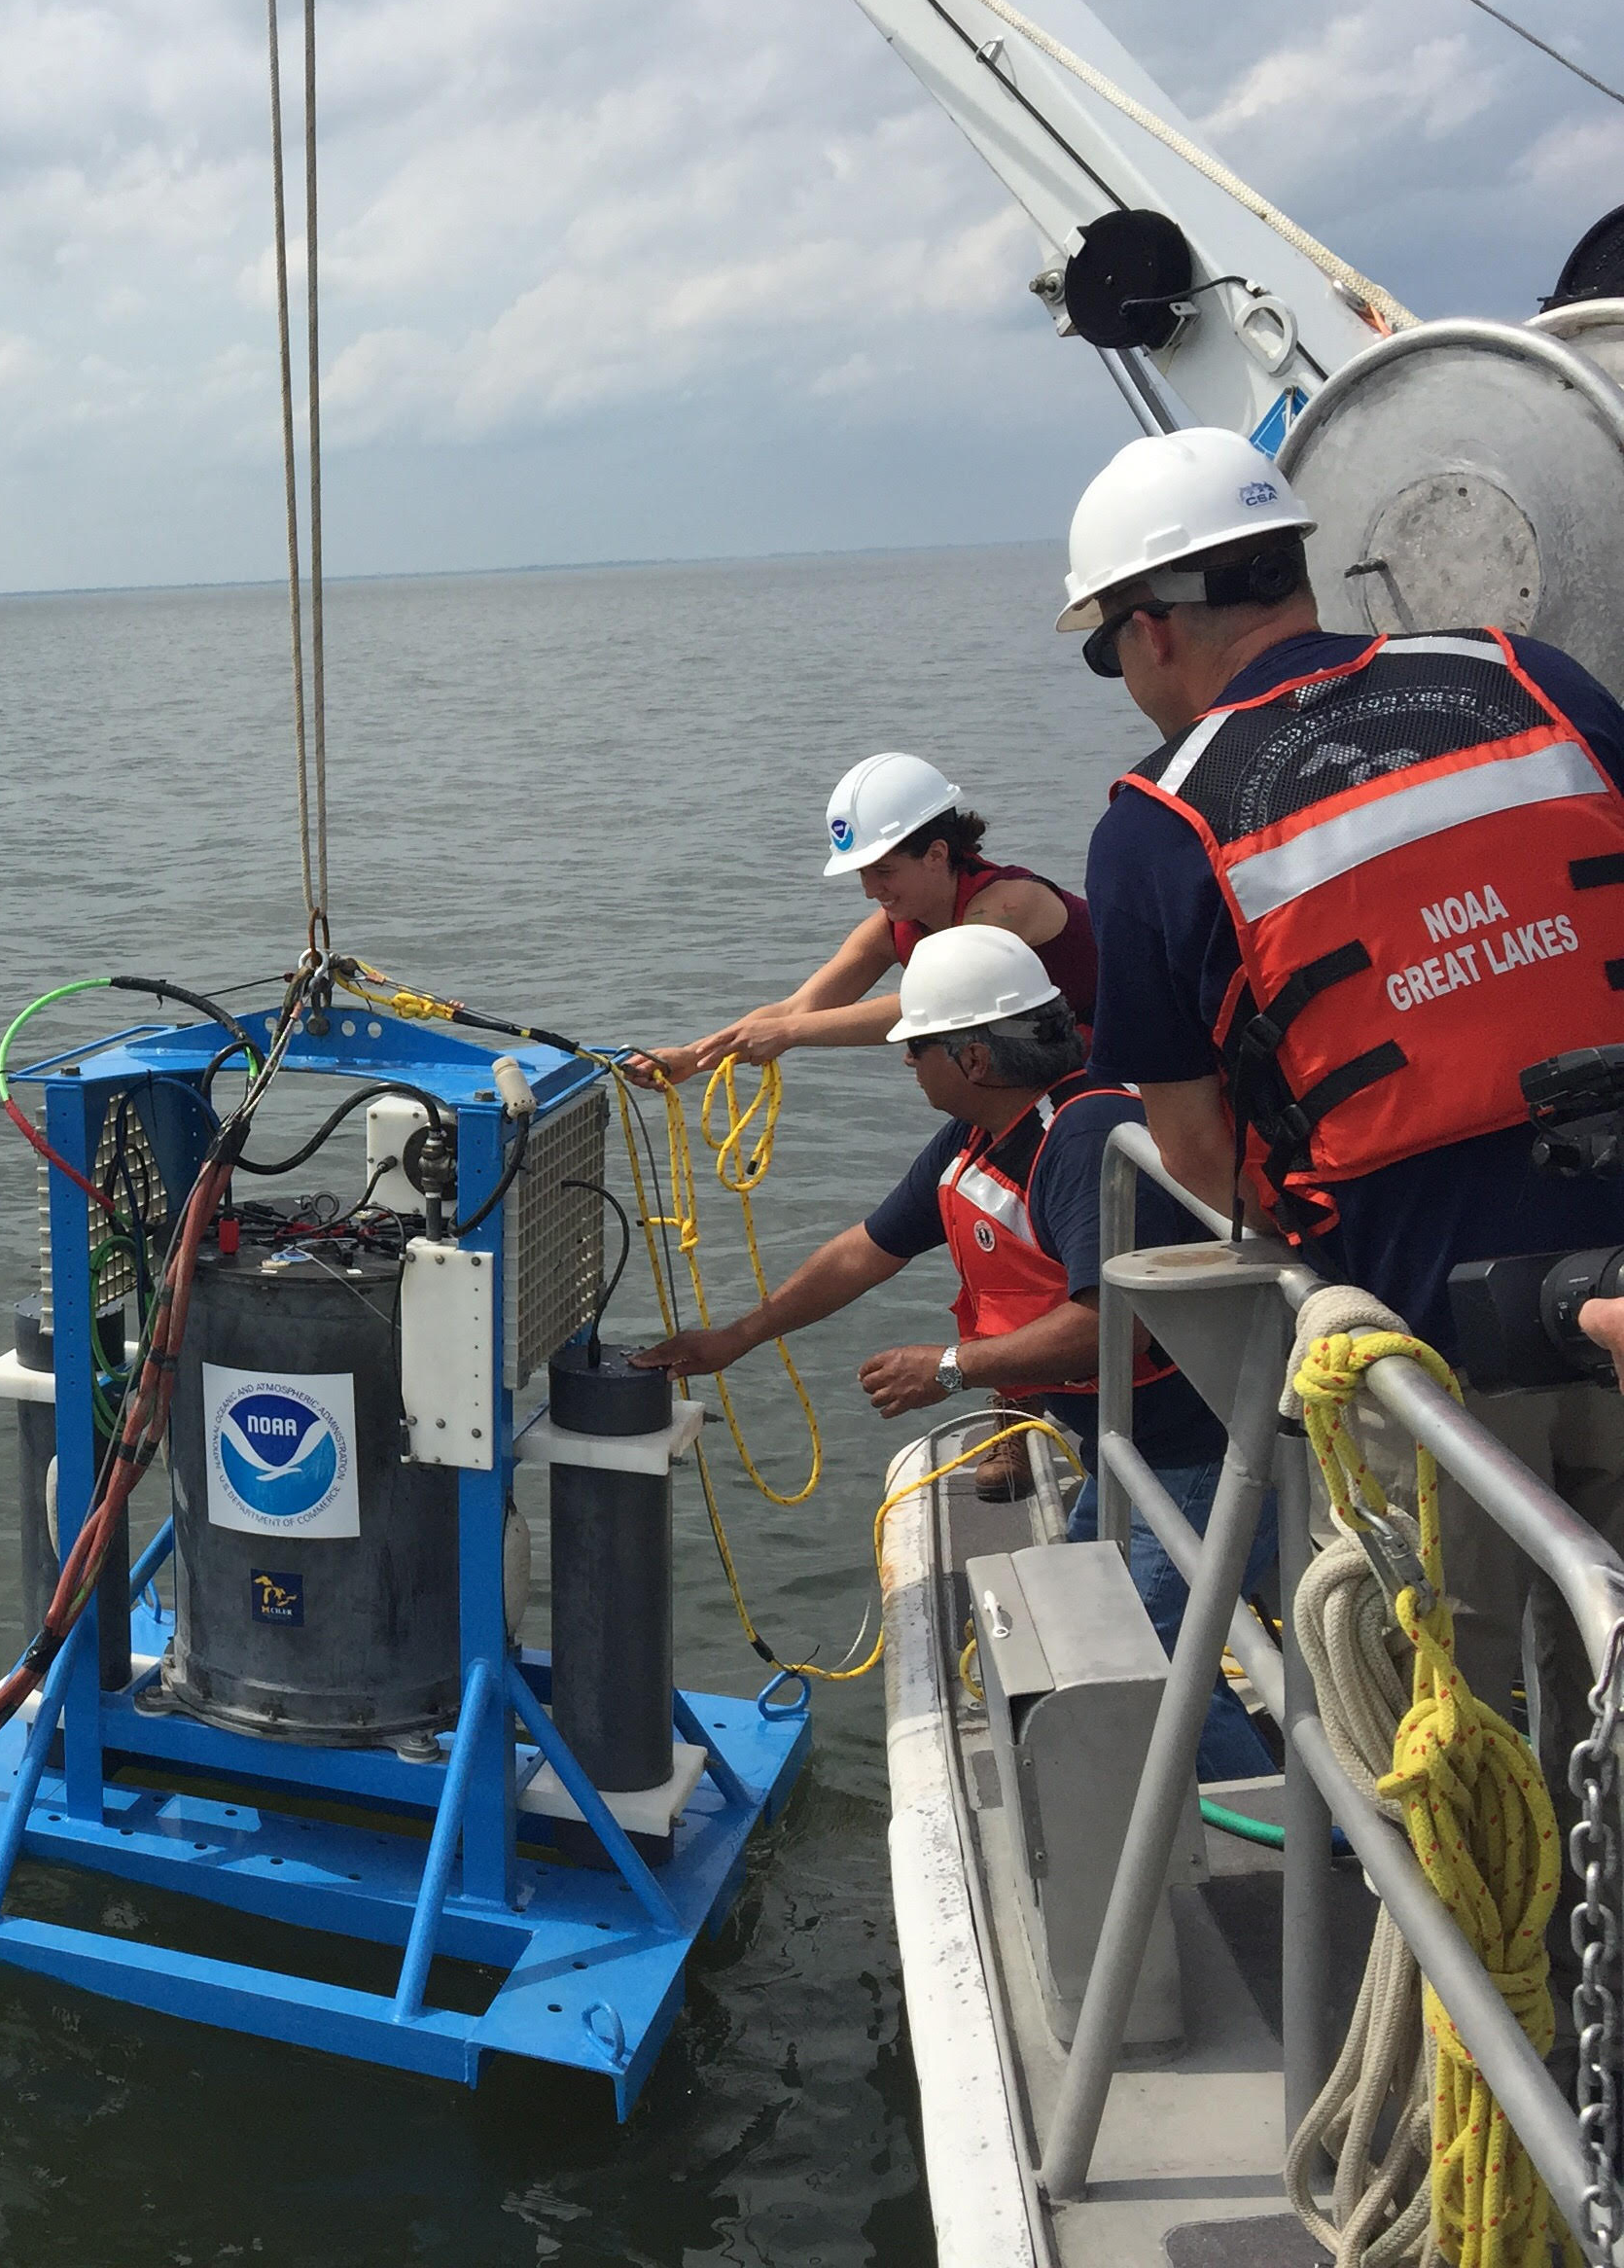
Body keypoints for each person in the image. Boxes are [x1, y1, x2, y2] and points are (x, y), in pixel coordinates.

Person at [1061, 423, 1624, 1797]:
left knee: (1462, 1728)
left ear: (1150, 632)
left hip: (1433, 1351)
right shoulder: (1531, 680)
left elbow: (1196, 1158)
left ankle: (1502, 1996)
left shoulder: (1162, 821)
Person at [633, 927, 1271, 1778]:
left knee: (1157, 1660)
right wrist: (737, 1338)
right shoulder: (979, 1141)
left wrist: (949, 1367)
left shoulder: (1083, 1139)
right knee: (1100, 1621)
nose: (906, 1067)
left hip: (1212, 1445)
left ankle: (1296, 1845)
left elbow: (1117, 1322)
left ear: (973, 1058)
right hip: (1134, 1444)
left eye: (917, 1049)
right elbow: (866, 1249)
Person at [628, 752, 1098, 1084]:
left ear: (937, 854)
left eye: (884, 871)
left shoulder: (1008, 907)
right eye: (862, 874)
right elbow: (796, 1008)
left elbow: (933, 1003)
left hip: (1127, 1059)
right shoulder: (894, 923)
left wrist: (789, 1036)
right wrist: (691, 1057)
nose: (871, 890)